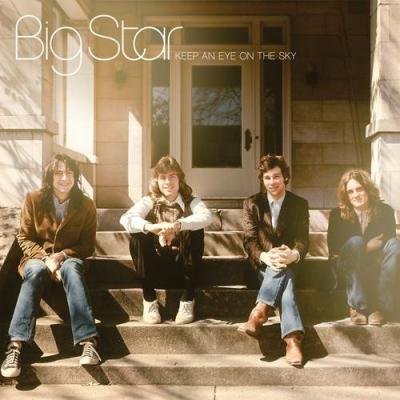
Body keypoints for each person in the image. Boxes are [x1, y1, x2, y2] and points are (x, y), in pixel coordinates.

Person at [1, 154, 100, 379]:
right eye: (58, 173)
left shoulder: (86, 204)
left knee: (71, 269)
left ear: (75, 176)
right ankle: (15, 347)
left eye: (69, 173)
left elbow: (87, 245)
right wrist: (46, 259)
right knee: (35, 271)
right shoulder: (34, 199)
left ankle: (88, 341)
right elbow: (24, 237)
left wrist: (62, 256)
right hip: (37, 257)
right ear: (49, 176)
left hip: (71, 257)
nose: (64, 178)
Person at [120, 156, 212, 325]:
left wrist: (178, 226)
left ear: (180, 179)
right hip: (154, 269)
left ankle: (187, 299)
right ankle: (149, 300)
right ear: (157, 180)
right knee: (138, 233)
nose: (168, 182)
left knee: (195, 229)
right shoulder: (149, 201)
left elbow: (206, 217)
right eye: (163, 177)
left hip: (185, 270)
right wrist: (153, 228)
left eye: (172, 176)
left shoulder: (191, 201)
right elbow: (126, 218)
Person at [238, 154, 309, 366]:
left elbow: (303, 240)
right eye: (267, 178)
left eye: (276, 176)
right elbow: (250, 241)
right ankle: (293, 341)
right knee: (284, 277)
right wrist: (266, 256)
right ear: (262, 180)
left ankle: (259, 312)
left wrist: (293, 255)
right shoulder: (252, 204)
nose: (272, 182)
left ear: (285, 177)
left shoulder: (299, 204)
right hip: (261, 267)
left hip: (289, 264)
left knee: (284, 270)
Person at [327, 169, 400, 325]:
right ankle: (358, 306)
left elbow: (388, 244)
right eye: (351, 191)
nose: (356, 195)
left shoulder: (385, 211)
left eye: (359, 189)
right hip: (347, 266)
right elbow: (334, 250)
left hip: (375, 265)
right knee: (355, 241)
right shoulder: (336, 215)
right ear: (346, 195)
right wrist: (366, 247)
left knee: (395, 245)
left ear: (368, 189)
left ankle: (381, 308)